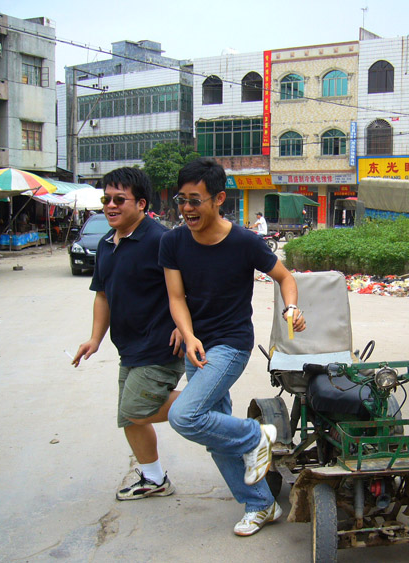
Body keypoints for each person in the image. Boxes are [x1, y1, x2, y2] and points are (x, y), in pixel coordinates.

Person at [159, 158, 306, 537]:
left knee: (185, 416)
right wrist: (188, 335)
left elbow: (285, 278)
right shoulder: (173, 242)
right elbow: (176, 298)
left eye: (195, 200)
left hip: (231, 345)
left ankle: (257, 436)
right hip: (196, 347)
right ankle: (261, 504)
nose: (187, 208)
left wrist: (291, 308)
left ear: (219, 199)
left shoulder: (244, 242)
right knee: (216, 436)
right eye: (181, 200)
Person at [72, 167, 185, 501]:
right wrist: (95, 339)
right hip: (130, 347)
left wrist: (183, 326)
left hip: (161, 344)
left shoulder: (160, 240)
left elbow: (190, 287)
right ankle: (154, 479)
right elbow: (103, 295)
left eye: (119, 199)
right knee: (130, 417)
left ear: (141, 204)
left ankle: (211, 407)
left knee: (135, 409)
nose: (110, 205)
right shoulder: (107, 244)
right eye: (106, 199)